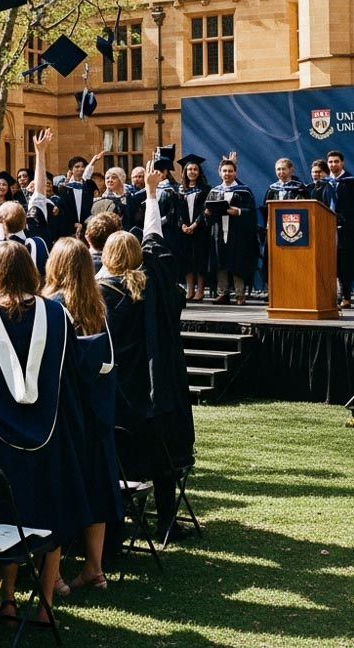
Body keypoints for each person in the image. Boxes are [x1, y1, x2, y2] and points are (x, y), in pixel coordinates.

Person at [0, 240, 92, 624]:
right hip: (51, 437)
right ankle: (45, 604)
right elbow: (74, 377)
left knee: (2, 513)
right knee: (52, 509)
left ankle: (8, 598)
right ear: (32, 270)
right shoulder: (59, 316)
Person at [97, 167, 195, 543]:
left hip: (114, 398)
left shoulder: (92, 295)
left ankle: (114, 526)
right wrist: (151, 196)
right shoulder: (151, 288)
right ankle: (167, 521)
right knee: (161, 454)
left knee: (118, 454)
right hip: (151, 394)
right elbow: (155, 242)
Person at [42, 237, 121, 592]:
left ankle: (54, 575)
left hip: (66, 413)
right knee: (96, 487)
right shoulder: (97, 306)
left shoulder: (53, 306)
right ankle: (95, 568)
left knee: (59, 492)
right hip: (97, 413)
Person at [204, 155, 258, 304]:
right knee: (220, 262)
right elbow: (206, 214)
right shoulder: (214, 192)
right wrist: (207, 214)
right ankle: (223, 293)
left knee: (237, 262)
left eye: (230, 171)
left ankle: (240, 295)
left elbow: (252, 212)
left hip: (237, 232)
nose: (227, 174)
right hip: (219, 231)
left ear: (235, 172)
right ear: (219, 172)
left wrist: (239, 211)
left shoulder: (244, 191)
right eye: (224, 171)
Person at [325, 150, 354, 309]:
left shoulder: (351, 183)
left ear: (342, 163)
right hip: (326, 229)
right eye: (330, 162)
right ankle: (329, 297)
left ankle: (346, 296)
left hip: (345, 231)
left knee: (344, 264)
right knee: (328, 263)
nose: (333, 165)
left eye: (336, 162)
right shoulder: (324, 183)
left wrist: (344, 219)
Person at [260, 159, 308, 292]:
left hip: (295, 232)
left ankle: (296, 289)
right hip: (275, 230)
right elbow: (266, 209)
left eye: (283, 169)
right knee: (274, 261)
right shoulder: (272, 188)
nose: (281, 172)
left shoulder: (300, 188)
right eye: (278, 169)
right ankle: (274, 290)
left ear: (291, 170)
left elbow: (306, 209)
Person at [176, 154, 210, 302]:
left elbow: (205, 210)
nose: (192, 172)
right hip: (184, 232)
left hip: (200, 230)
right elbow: (176, 211)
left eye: (195, 169)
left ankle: (200, 290)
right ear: (185, 172)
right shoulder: (180, 190)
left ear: (199, 172)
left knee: (200, 260)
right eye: (189, 169)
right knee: (187, 260)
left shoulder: (205, 189)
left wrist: (195, 224)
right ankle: (189, 290)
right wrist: (183, 225)